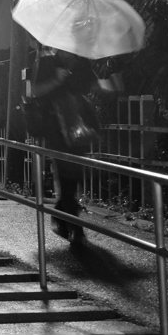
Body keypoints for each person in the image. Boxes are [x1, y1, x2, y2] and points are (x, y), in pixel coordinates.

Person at [29, 47, 121, 244]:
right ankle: (76, 230)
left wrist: (109, 86)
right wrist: (56, 79)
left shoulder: (81, 63)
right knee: (67, 175)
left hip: (80, 127)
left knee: (75, 177)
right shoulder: (47, 63)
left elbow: (93, 86)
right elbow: (36, 91)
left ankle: (60, 215)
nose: (68, 50)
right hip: (56, 129)